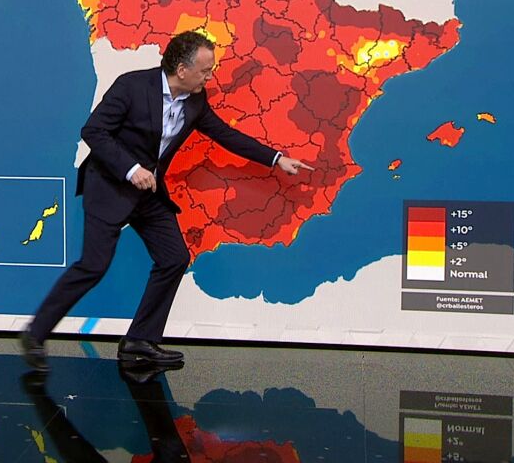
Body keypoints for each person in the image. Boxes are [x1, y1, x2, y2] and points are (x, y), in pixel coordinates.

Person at [20, 31, 314, 371]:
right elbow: (94, 131)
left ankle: (139, 341)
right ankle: (35, 334)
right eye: (205, 70)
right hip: (109, 186)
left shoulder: (195, 101)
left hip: (148, 193)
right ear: (182, 69)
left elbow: (225, 135)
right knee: (94, 266)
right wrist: (131, 169)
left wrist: (276, 159)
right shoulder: (132, 86)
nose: (210, 76)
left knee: (174, 257)